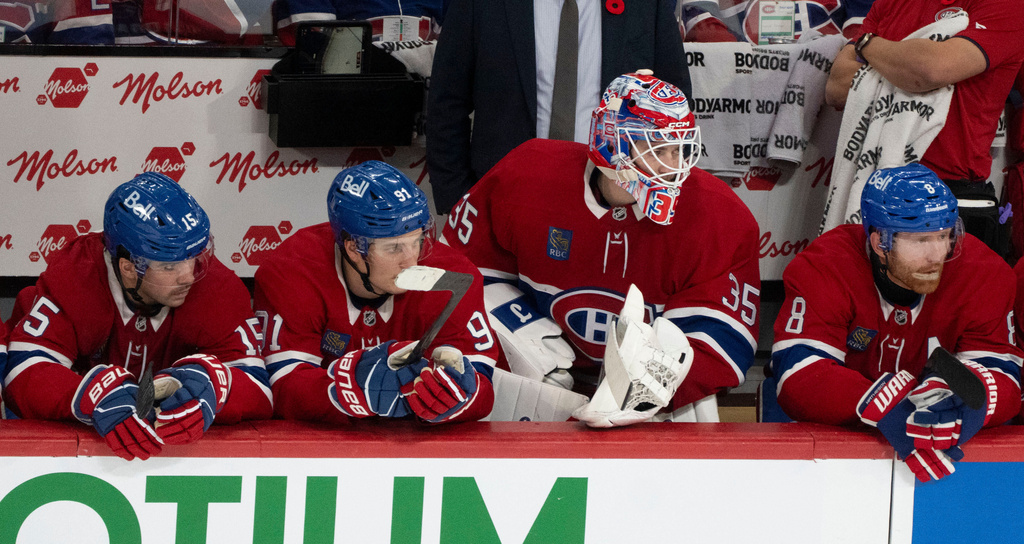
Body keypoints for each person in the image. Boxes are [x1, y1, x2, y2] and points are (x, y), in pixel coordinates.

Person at [441, 71, 761, 426]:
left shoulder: (719, 215)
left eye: (679, 148)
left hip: (658, 402)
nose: (673, 166)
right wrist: (528, 343)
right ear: (612, 143)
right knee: (534, 356)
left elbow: (722, 340)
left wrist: (642, 388)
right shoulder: (527, 174)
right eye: (657, 148)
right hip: (536, 376)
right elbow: (455, 272)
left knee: (688, 402)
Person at [766, 163, 1022, 481]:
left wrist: (967, 402)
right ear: (880, 244)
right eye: (920, 241)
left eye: (944, 236)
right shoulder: (824, 266)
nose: (937, 254)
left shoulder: (984, 273)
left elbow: (1005, 376)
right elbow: (798, 375)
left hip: (939, 442)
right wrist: (888, 401)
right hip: (838, 432)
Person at [3, 173, 273, 460]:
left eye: (194, 257)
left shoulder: (218, 288)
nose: (189, 277)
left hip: (171, 458)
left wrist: (217, 385)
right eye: (169, 267)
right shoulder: (75, 276)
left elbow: (258, 388)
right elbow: (22, 373)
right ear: (129, 268)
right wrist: (87, 394)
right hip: (80, 456)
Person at [254, 160, 497, 424]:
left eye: (417, 241)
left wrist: (454, 397)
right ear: (352, 248)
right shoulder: (292, 272)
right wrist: (348, 390)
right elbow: (283, 387)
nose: (411, 261)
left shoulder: (453, 276)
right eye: (393, 248)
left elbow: (482, 385)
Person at [427, 0, 691, 215]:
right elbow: (447, 103)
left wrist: (654, 194)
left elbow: (676, 101)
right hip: (501, 203)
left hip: (614, 204)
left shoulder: (647, 5)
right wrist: (458, 202)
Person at [825, 0, 1024, 255]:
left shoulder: (1006, 5)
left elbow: (928, 70)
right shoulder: (888, 4)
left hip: (950, 193)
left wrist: (867, 44)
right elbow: (837, 88)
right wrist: (905, 65)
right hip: (877, 186)